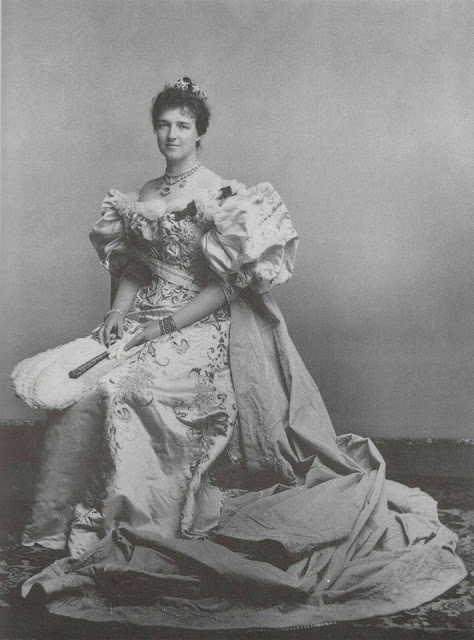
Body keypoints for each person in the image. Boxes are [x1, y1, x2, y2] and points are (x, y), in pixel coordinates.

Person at [16, 78, 466, 632]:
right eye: (164, 124)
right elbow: (134, 266)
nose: (172, 134)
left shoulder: (220, 194)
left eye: (183, 125)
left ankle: (137, 521)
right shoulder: (145, 191)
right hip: (138, 319)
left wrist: (165, 325)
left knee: (126, 389)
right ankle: (57, 528)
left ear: (200, 133)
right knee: (80, 388)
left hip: (198, 326)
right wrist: (117, 312)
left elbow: (227, 285)